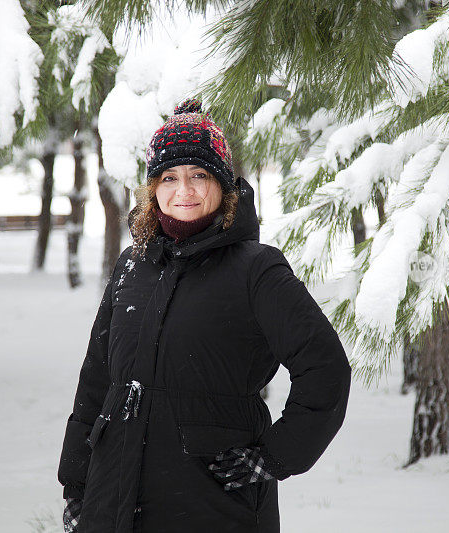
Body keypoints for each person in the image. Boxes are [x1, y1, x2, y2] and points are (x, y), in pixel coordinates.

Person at [57, 99, 352, 533]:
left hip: (211, 506)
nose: (185, 191)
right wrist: (78, 482)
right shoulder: (132, 265)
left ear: (223, 185)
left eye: (200, 175)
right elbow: (98, 379)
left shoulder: (257, 269)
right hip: (112, 499)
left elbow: (325, 369)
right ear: (153, 187)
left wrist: (276, 455)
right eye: (170, 177)